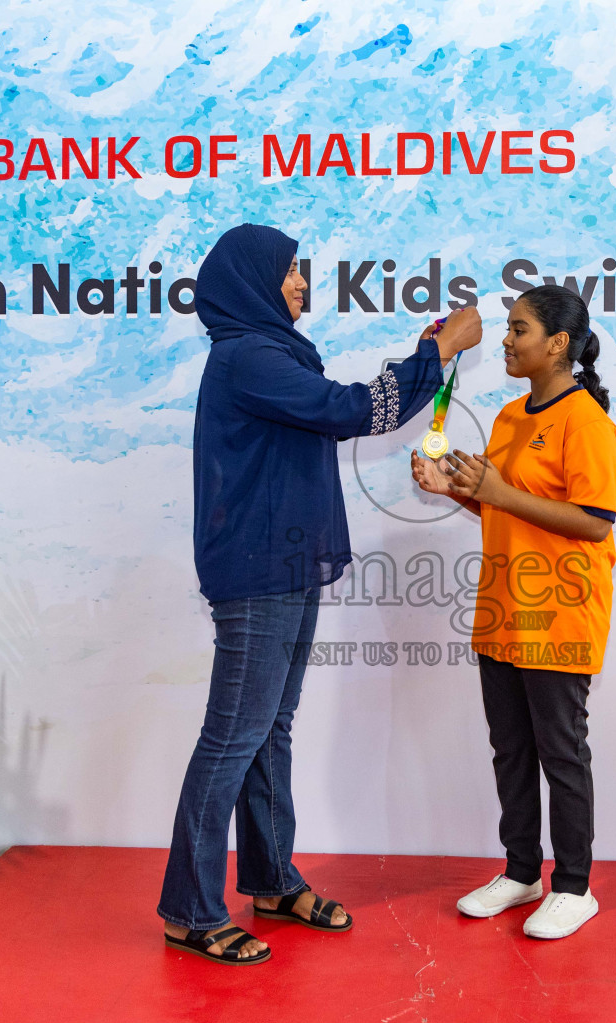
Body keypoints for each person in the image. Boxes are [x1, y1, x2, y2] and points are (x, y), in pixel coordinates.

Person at [160, 224, 482, 964]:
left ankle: (271, 880)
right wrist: (438, 351)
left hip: (287, 565)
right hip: (260, 571)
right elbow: (349, 411)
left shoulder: (269, 354)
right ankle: (189, 907)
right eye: (291, 273)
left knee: (270, 728)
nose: (304, 285)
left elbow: (345, 409)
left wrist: (428, 355)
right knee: (234, 737)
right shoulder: (249, 357)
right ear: (253, 281)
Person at [411, 283, 616, 940]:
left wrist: (497, 489)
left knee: (561, 752)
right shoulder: (508, 417)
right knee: (510, 749)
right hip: (502, 609)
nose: (505, 339)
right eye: (507, 327)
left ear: (557, 344)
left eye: (519, 329)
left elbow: (591, 524)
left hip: (560, 612)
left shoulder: (587, 423)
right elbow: (503, 503)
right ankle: (522, 870)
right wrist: (458, 490)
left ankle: (574, 887)